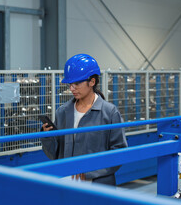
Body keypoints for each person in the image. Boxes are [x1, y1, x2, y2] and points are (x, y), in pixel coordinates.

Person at [41, 54, 128, 186]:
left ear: (92, 82)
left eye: (77, 83)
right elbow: (55, 155)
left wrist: (90, 172)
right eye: (70, 84)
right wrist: (47, 137)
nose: (72, 88)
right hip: (67, 182)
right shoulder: (63, 112)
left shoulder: (109, 112)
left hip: (98, 185)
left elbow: (119, 152)